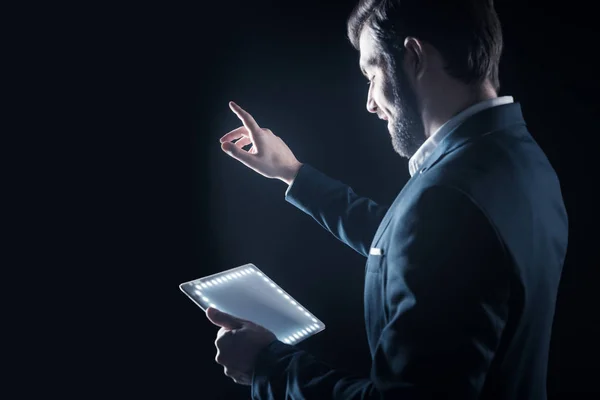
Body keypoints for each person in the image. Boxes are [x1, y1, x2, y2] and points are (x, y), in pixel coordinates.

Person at [205, 0, 569, 398]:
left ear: (414, 57)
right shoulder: (516, 155)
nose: (370, 103)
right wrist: (292, 172)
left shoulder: (448, 199)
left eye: (370, 72)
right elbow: (416, 246)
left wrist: (267, 367)